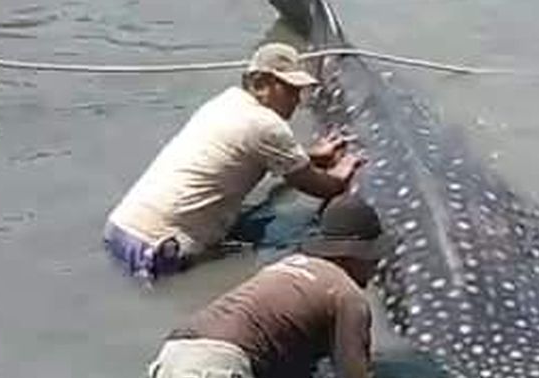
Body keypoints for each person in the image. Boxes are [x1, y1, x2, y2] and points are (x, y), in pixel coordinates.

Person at [146, 194, 402, 378]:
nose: (376, 266)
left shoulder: (284, 267)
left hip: (168, 365)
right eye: (374, 256)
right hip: (216, 374)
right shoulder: (346, 294)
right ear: (357, 253)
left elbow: (271, 348)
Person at [103, 42, 362, 279]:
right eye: (289, 89)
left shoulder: (226, 103)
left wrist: (314, 156)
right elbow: (321, 187)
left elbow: (243, 151)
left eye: (299, 91)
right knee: (311, 232)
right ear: (261, 82)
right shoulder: (267, 125)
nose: (297, 100)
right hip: (155, 252)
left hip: (119, 230)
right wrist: (345, 167)